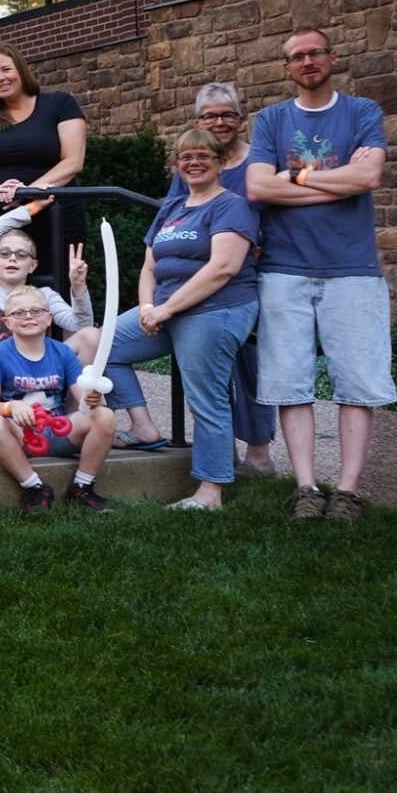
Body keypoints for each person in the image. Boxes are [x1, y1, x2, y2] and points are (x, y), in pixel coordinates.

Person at [246, 28, 394, 522]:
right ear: (286, 68)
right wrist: (339, 184)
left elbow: (368, 177)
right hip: (284, 269)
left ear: (332, 57)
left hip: (352, 269)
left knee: (356, 382)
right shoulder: (271, 120)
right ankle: (307, 488)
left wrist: (297, 177)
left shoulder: (362, 112)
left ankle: (347, 493)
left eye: (314, 53)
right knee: (291, 382)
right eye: (296, 57)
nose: (306, 62)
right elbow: (257, 188)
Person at [99, 128, 260, 511]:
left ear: (221, 163)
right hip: (165, 310)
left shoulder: (230, 206)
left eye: (204, 156)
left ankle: (211, 491)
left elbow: (223, 267)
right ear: (178, 165)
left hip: (214, 309)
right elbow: (149, 266)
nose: (194, 163)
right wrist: (144, 307)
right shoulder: (171, 208)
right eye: (187, 157)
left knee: (206, 399)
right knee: (103, 346)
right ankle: (142, 428)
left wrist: (166, 310)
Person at [174, 81, 277, 478]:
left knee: (251, 364)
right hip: (202, 277)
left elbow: (279, 214)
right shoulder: (194, 161)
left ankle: (258, 453)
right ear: (198, 119)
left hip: (249, 277)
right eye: (210, 115)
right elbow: (174, 210)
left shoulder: (260, 163)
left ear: (241, 118)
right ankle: (221, 450)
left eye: (227, 114)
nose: (219, 122)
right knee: (209, 368)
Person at [0, 44, 87, 286]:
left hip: (55, 215)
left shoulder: (59, 104)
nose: (0, 78)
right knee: (2, 296)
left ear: (21, 70)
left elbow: (73, 161)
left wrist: (25, 192)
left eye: (6, 69)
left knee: (63, 290)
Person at [0, 285, 114, 513]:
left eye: (36, 311)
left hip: (59, 430)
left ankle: (82, 487)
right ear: (7, 322)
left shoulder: (62, 352)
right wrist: (12, 406)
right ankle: (36, 488)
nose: (28, 316)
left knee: (104, 415)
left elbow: (83, 402)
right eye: (19, 313)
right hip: (22, 436)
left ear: (49, 319)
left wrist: (93, 399)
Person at [0, 201, 99, 366]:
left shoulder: (44, 295)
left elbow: (81, 326)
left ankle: (78, 392)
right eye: (5, 253)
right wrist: (35, 204)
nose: (12, 258)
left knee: (91, 335)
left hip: (37, 370)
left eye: (21, 254)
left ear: (33, 265)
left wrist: (78, 287)